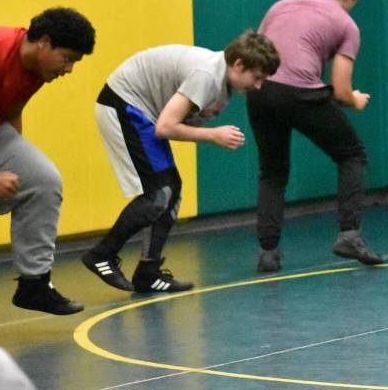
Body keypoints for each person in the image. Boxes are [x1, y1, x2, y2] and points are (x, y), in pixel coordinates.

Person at [82, 30, 279, 293]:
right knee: (160, 193)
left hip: (141, 108)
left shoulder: (221, 81)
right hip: (124, 103)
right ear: (239, 64)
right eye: (256, 77)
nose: (258, 85)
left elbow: (173, 120)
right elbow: (165, 127)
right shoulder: (208, 76)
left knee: (171, 191)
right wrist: (213, 135)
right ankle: (101, 255)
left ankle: (148, 273)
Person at [246, 0, 383, 272]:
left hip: (260, 89)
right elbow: (340, 90)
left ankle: (268, 252)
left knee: (272, 171)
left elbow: (257, 51)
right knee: (352, 155)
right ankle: (349, 233)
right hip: (299, 91)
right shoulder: (346, 25)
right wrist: (356, 101)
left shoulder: (281, 6)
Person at [0, 7, 95, 315]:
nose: (69, 69)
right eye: (68, 58)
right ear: (44, 43)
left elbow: (11, 109)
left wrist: (13, 160)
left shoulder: (36, 69)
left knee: (42, 179)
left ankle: (34, 285)